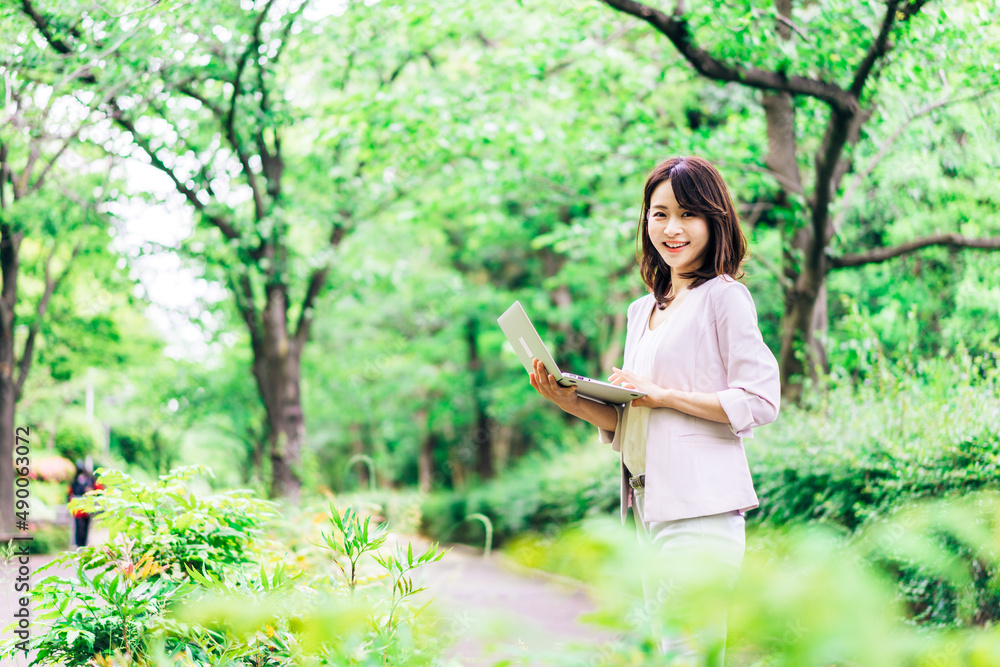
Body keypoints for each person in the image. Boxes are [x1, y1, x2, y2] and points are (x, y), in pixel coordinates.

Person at [529, 155, 780, 665]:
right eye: (659, 213)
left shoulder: (725, 298)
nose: (672, 228)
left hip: (703, 510)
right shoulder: (641, 310)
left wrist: (662, 394)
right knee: (667, 655)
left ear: (715, 220)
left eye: (688, 214)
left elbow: (760, 399)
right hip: (648, 510)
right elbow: (632, 419)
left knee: (687, 654)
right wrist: (569, 400)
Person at [68, 460, 98, 548]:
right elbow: (71, 492)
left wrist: (90, 491)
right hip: (77, 503)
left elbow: (97, 490)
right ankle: (78, 543)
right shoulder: (75, 480)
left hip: (87, 503)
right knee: (78, 524)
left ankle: (83, 543)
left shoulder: (90, 479)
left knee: (85, 524)